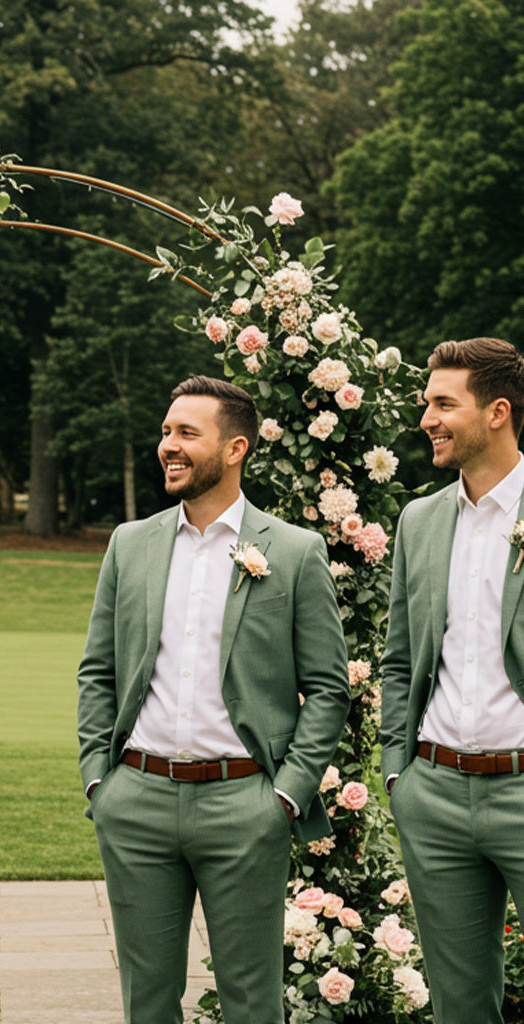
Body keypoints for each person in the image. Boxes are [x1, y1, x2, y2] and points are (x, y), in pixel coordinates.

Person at [77, 375, 350, 1024]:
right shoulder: (130, 544)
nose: (168, 445)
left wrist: (285, 794)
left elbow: (330, 687)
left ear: (235, 450)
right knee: (147, 999)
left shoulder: (294, 551)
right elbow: (98, 670)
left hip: (243, 804)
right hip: (136, 800)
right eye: (166, 432)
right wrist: (98, 780)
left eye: (186, 434)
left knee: (251, 1000)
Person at [381, 337, 524, 1023]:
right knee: (461, 1007)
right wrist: (397, 773)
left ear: (497, 411)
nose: (426, 419)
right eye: (425, 404)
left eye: (443, 404)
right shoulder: (419, 519)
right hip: (433, 795)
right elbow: (399, 659)